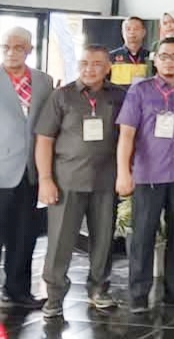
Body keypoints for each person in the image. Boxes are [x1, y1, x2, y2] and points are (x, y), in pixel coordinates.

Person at [115, 37, 174, 312]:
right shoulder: (140, 90)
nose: (169, 61)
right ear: (155, 59)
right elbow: (126, 135)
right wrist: (123, 173)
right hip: (148, 174)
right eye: (164, 56)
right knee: (143, 236)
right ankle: (138, 293)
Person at [34, 45, 125, 318]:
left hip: (105, 181)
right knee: (60, 243)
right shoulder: (61, 96)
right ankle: (54, 296)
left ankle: (99, 289)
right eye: (84, 63)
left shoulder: (119, 96)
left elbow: (129, 137)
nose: (89, 68)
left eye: (96, 64)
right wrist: (45, 179)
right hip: (67, 181)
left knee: (103, 241)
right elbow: (44, 140)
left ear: (108, 67)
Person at [0, 26, 53, 308]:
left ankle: (17, 290)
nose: (11, 52)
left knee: (24, 235)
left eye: (18, 47)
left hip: (30, 170)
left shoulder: (43, 81)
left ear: (30, 50)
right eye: (6, 47)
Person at [109, 16, 151, 87]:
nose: (132, 32)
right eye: (128, 29)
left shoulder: (150, 57)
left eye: (136, 29)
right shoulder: (111, 57)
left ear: (143, 32)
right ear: (123, 33)